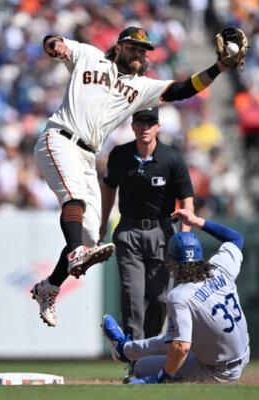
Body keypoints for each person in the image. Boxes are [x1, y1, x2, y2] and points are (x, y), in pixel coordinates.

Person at [31, 25, 236, 328]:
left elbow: (182, 89)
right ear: (119, 47)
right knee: (74, 203)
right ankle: (74, 253)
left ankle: (48, 287)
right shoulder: (89, 57)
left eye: (144, 50)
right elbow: (53, 42)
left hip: (88, 155)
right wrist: (55, 45)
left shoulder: (141, 87)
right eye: (134, 47)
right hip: (60, 138)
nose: (140, 53)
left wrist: (218, 68)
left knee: (89, 238)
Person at [102, 208, 250, 384]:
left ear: (171, 262)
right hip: (243, 354)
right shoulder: (219, 268)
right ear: (199, 255)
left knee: (141, 366)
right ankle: (124, 349)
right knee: (173, 338)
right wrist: (197, 221)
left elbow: (181, 347)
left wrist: (160, 378)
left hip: (218, 371)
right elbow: (236, 238)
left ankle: (125, 350)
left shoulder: (180, 296)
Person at [100, 107, 194, 340]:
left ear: (158, 127)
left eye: (150, 122)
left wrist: (184, 238)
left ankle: (150, 349)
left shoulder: (171, 158)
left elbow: (187, 202)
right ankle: (134, 355)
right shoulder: (119, 155)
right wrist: (102, 223)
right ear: (132, 126)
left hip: (162, 231)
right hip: (128, 230)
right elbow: (109, 187)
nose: (144, 127)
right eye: (140, 122)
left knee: (160, 297)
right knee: (133, 294)